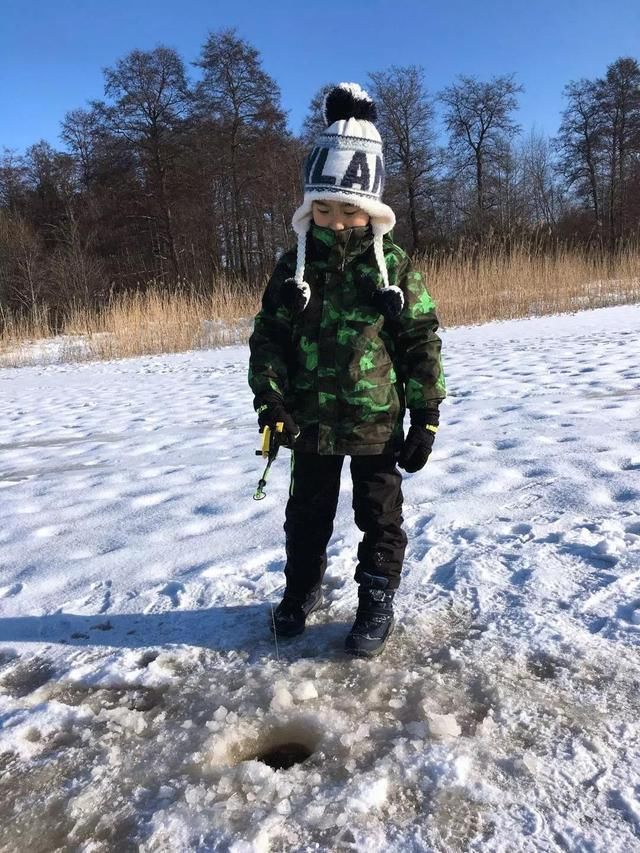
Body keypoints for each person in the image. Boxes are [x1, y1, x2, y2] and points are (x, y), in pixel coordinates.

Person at [248, 82, 446, 658]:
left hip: (376, 423)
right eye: (325, 209)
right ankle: (301, 589)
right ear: (311, 207)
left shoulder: (394, 268)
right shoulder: (293, 268)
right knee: (305, 517)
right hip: (308, 424)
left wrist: (426, 415)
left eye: (349, 210)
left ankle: (376, 598)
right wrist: (272, 403)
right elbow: (268, 340)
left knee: (379, 518)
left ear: (372, 209)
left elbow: (419, 339)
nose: (336, 221)